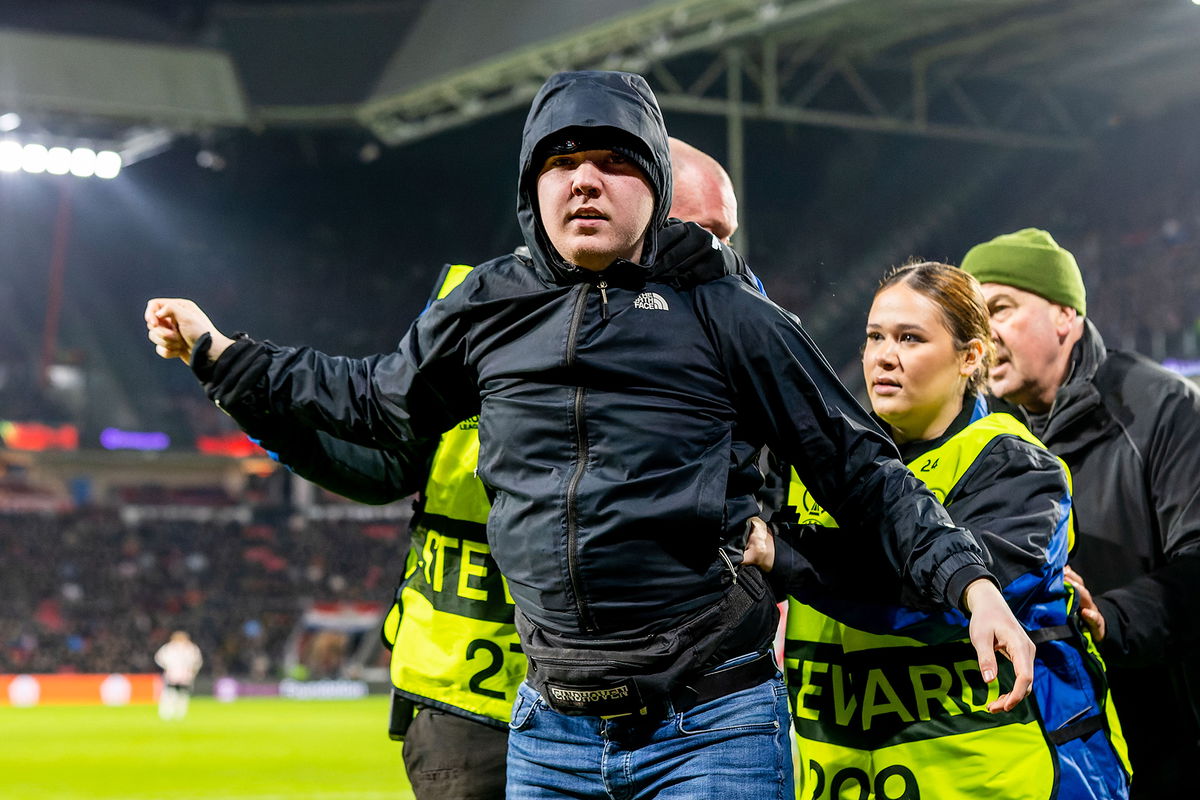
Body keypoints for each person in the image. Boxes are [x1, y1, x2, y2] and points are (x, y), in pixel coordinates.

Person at [145, 70, 1033, 798]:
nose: (583, 178)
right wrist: (224, 358)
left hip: (710, 728)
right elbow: (373, 404)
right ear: (532, 185)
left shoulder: (736, 316)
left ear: (653, 184)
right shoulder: (485, 306)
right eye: (560, 160)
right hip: (549, 730)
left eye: (613, 161)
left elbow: (860, 470)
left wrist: (970, 583)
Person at [247, 136, 748, 800]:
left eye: (725, 235)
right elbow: (385, 461)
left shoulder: (729, 320)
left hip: (648, 700)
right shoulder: (476, 306)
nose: (718, 251)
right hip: (470, 703)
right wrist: (250, 395)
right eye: (702, 229)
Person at [746, 261, 1130, 799]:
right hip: (842, 777)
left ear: (971, 355)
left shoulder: (1016, 467)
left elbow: (940, 603)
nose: (884, 355)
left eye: (910, 338)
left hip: (1008, 779)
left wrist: (786, 557)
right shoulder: (817, 464)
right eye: (875, 336)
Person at [959, 229, 1200, 797]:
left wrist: (1107, 618)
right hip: (1044, 742)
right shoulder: (978, 432)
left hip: (1163, 736)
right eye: (974, 315)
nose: (984, 332)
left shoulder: (1161, 407)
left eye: (1001, 308)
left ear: (1065, 315)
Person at [154, 630, 203, 721]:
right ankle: (171, 713)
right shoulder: (175, 648)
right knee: (173, 694)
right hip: (179, 675)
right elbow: (197, 661)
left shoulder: (188, 648)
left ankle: (173, 713)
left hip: (179, 675)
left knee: (178, 694)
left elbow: (158, 658)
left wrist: (167, 667)